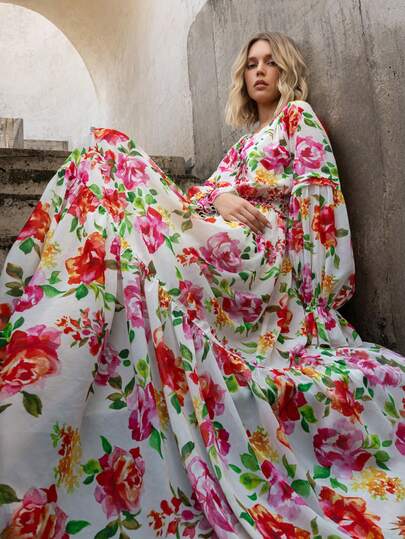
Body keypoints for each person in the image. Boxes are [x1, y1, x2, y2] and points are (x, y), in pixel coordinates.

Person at [0, 30, 404, 539]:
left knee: (113, 160)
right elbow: (201, 198)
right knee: (103, 175)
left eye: (270, 62)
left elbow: (319, 204)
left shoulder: (297, 119)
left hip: (261, 249)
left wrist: (314, 296)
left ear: (286, 71)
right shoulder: (240, 146)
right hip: (221, 233)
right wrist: (220, 200)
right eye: (252, 63)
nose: (260, 70)